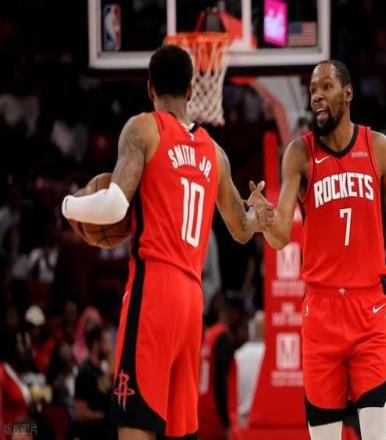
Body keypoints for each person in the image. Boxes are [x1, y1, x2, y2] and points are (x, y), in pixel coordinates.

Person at [61, 45, 273, 440]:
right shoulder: (216, 154)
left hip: (154, 291)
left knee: (135, 427)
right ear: (192, 90)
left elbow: (113, 204)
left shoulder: (143, 128)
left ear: (149, 88)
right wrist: (257, 219)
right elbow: (241, 230)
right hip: (191, 303)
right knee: (179, 432)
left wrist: (68, 205)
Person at [248, 60, 386, 440]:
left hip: (368, 310)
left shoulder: (377, 147)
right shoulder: (299, 154)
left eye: (326, 87)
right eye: (312, 90)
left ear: (347, 93)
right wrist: (265, 220)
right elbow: (281, 237)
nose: (317, 95)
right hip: (321, 313)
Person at [198, 296, 248, 440]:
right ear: (232, 313)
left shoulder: (209, 334)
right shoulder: (224, 338)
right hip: (216, 417)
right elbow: (220, 382)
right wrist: (226, 422)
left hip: (201, 412)